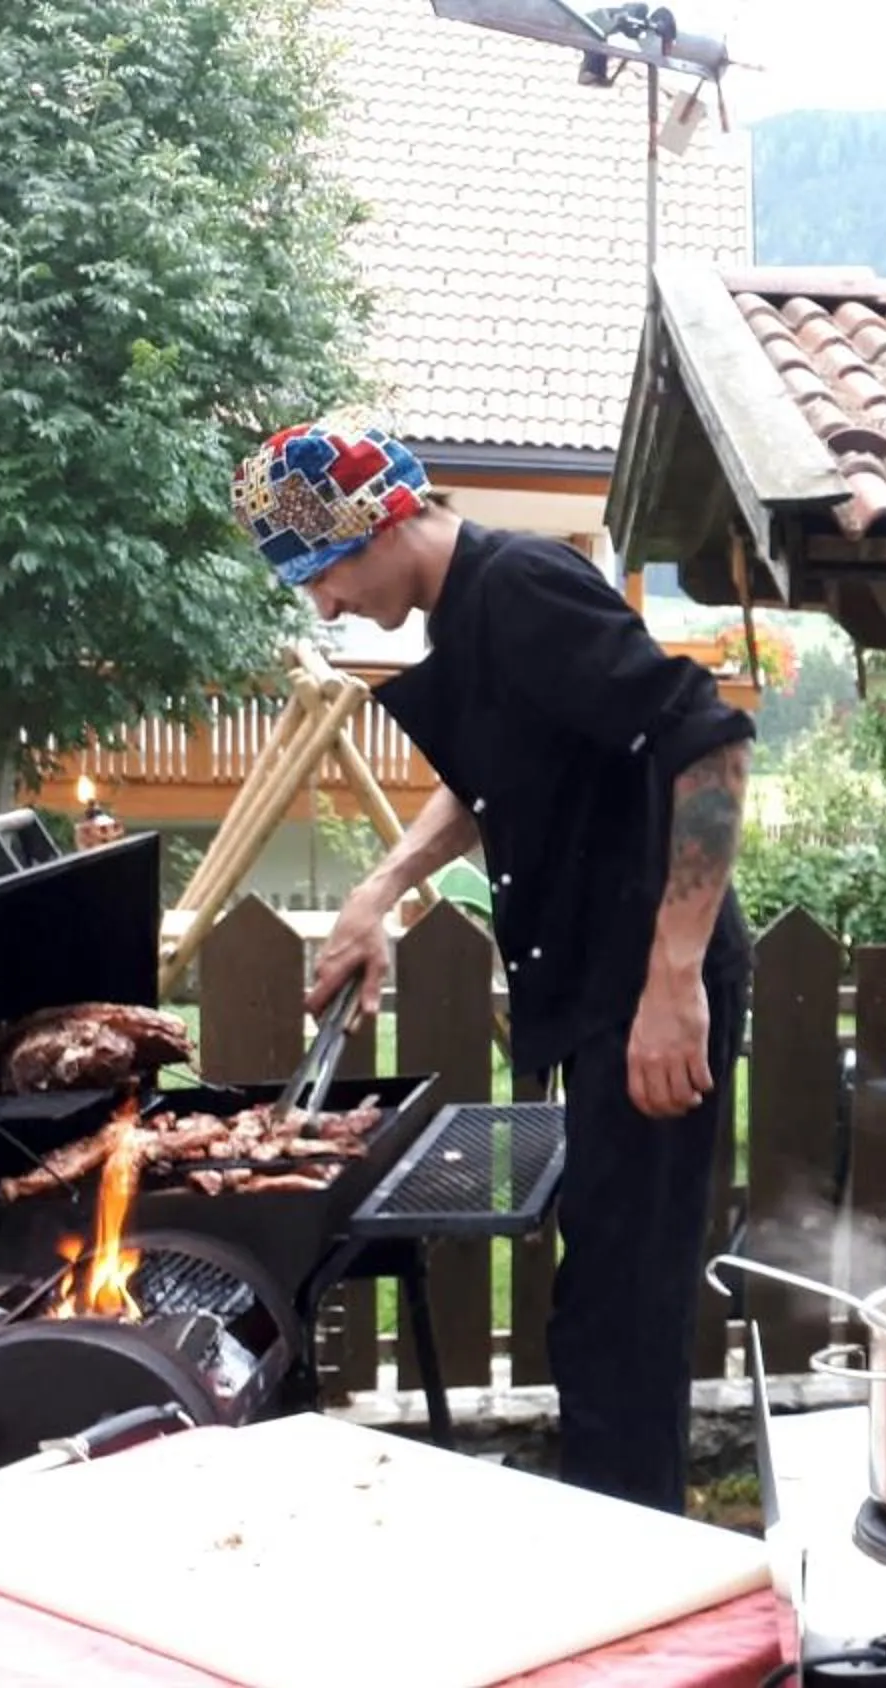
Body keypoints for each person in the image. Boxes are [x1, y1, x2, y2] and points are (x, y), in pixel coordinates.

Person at [231, 420, 754, 1512]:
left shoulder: (521, 585)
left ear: (380, 523)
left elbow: (707, 742)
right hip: (604, 986)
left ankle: (639, 1564)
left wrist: (673, 982)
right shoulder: (465, 611)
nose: (323, 606)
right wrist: (380, 889)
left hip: (644, 983)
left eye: (322, 573)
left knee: (623, 1310)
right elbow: (500, 778)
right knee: (601, 1298)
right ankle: (618, 1527)